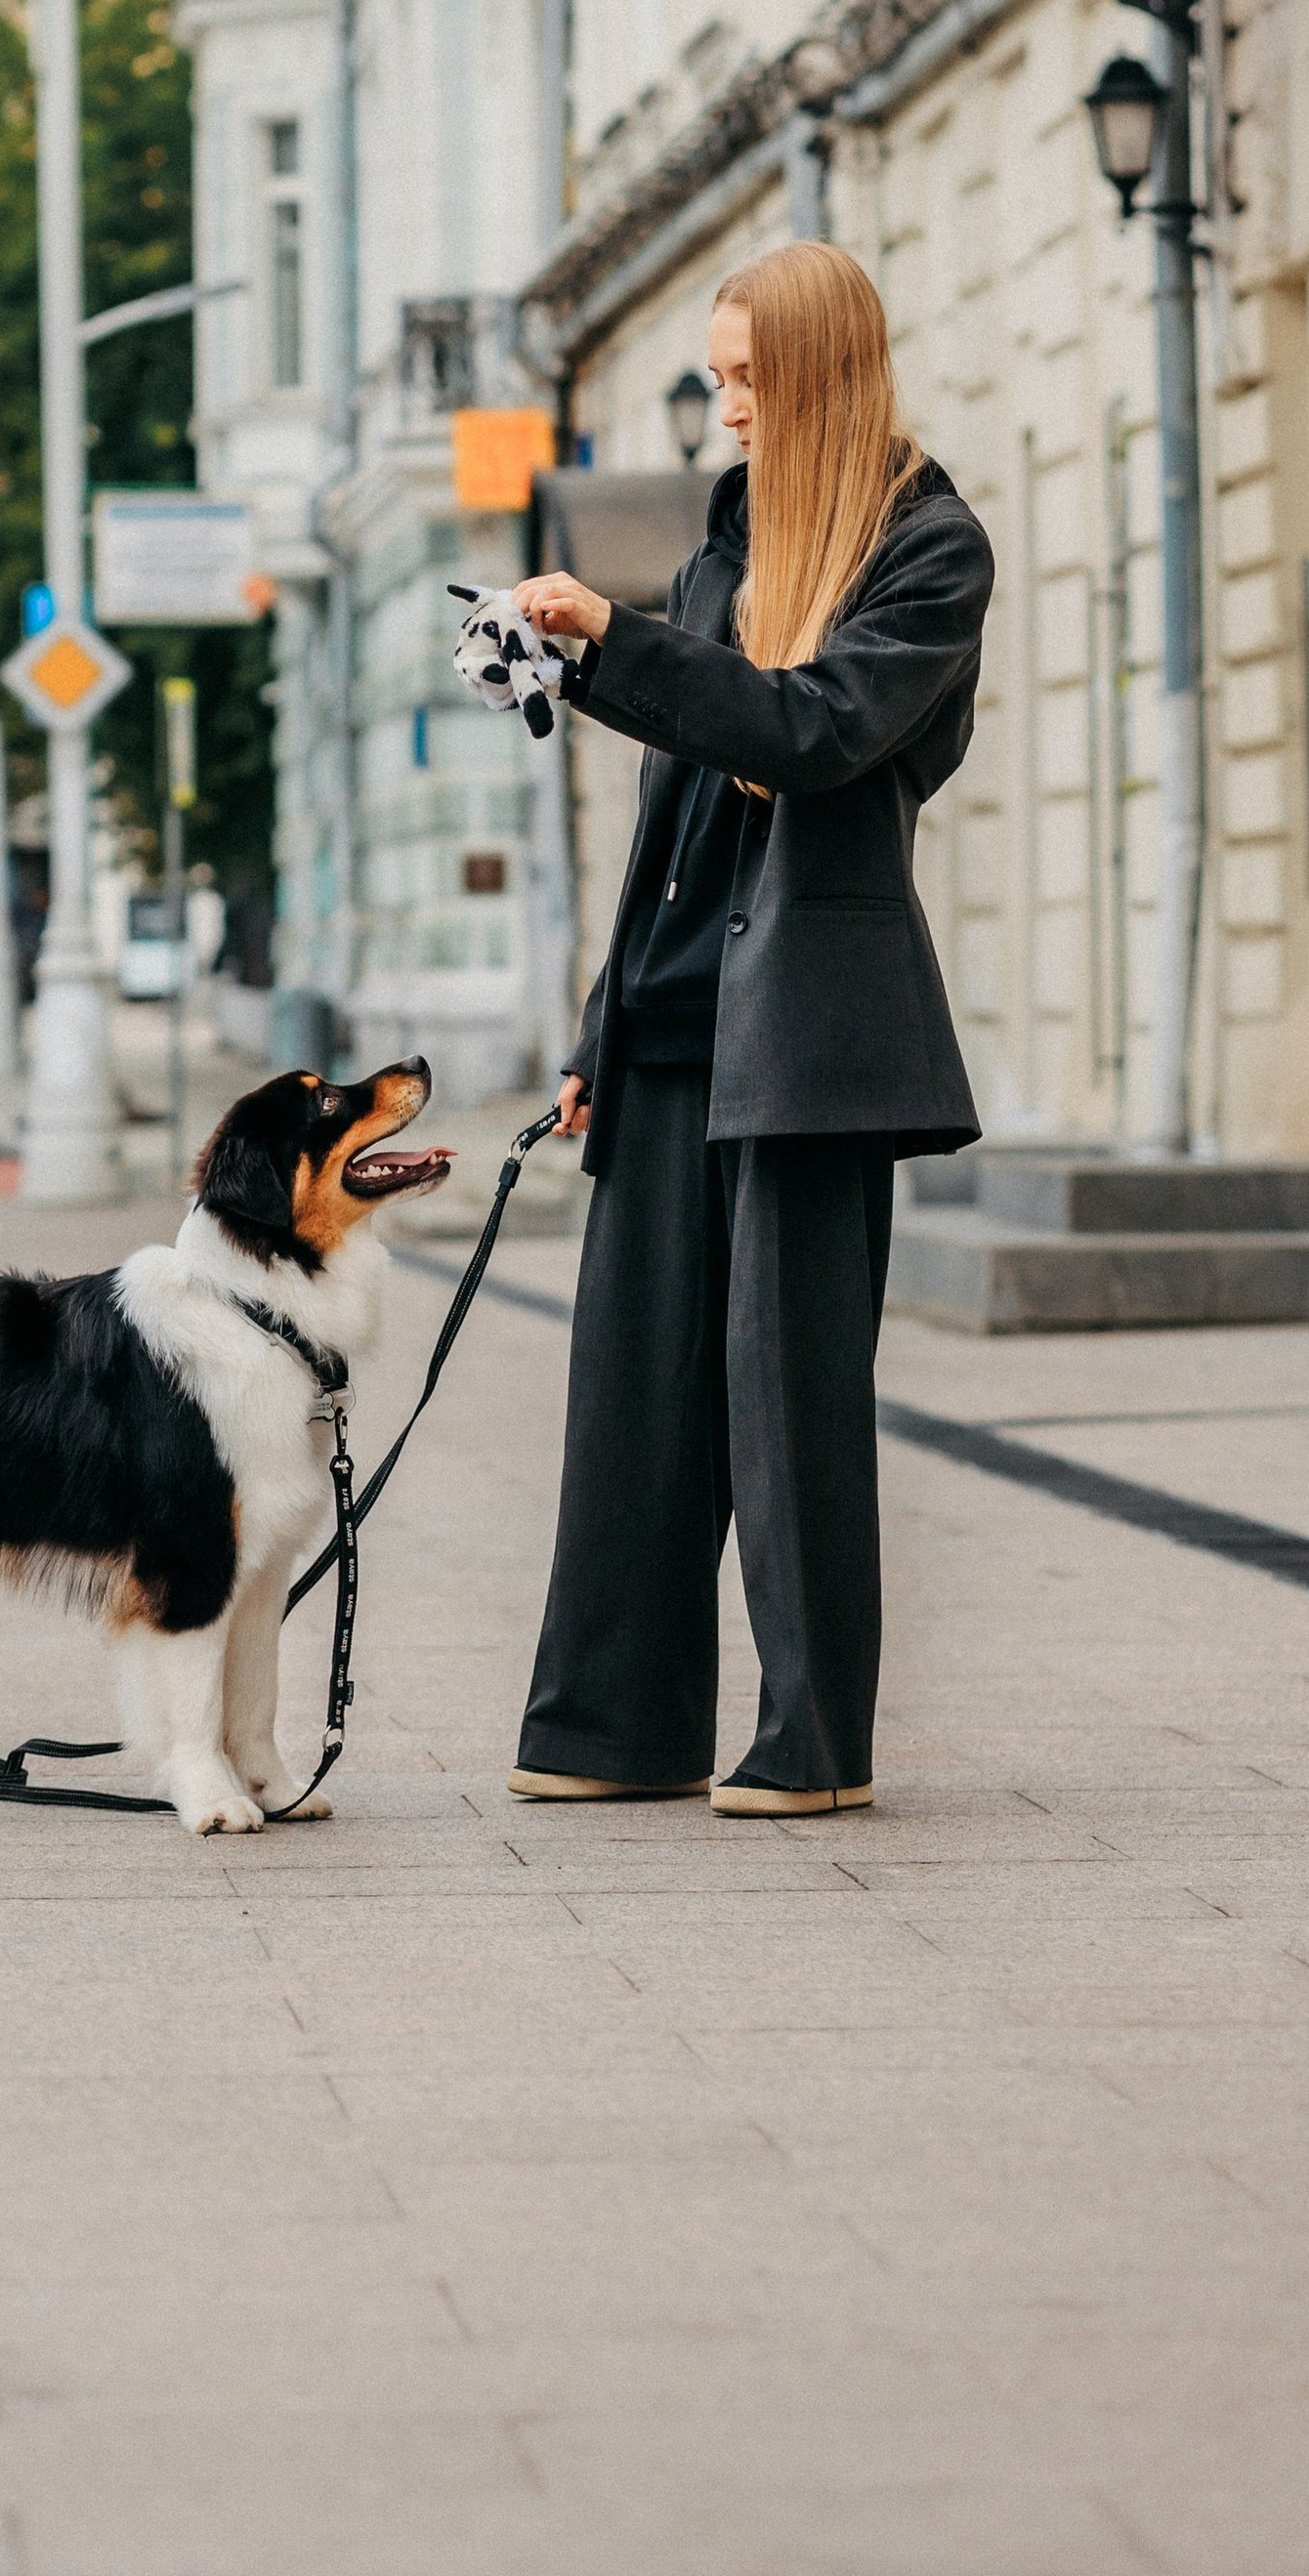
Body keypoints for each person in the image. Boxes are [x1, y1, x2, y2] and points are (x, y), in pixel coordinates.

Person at [503, 241, 992, 1817]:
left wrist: (622, 644)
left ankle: (810, 1747)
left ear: (827, 375)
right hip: (670, 1034)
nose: (727, 411)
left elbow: (813, 736)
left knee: (789, 1417)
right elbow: (674, 818)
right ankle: (608, 1730)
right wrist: (602, 1019)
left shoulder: (929, 551)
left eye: (750, 381)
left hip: (817, 1042)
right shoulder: (727, 547)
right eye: (718, 379)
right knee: (633, 1402)